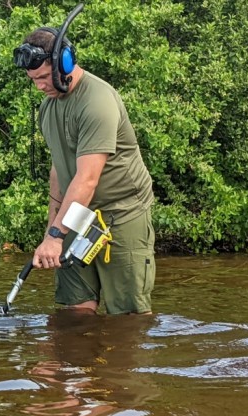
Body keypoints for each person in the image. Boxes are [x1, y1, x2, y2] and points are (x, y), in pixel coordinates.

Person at [13, 24, 156, 314]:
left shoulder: (97, 101)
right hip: (77, 215)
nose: (39, 86)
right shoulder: (48, 108)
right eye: (33, 80)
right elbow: (59, 170)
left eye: (43, 78)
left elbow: (87, 179)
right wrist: (51, 231)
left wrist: (55, 238)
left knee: (128, 317)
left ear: (64, 63)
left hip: (122, 213)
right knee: (73, 311)